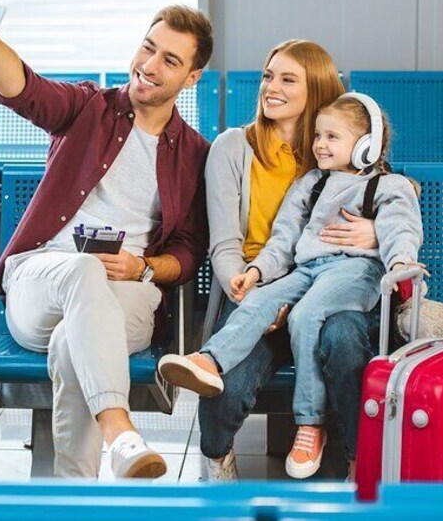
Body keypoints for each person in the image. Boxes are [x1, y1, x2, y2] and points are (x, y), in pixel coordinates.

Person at [0, 0, 213, 479]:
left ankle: (77, 495)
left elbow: (188, 251)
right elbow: (24, 88)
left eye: (170, 59)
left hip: (125, 298)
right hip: (43, 281)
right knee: (82, 269)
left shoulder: (194, 155)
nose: (150, 64)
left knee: (75, 339)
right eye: (148, 46)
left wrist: (145, 267)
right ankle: (120, 430)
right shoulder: (88, 107)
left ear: (191, 77)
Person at [160, 91, 424, 479]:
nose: (320, 144)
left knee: (307, 314)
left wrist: (400, 260)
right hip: (307, 269)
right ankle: (208, 361)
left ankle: (310, 423)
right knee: (259, 301)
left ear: (367, 146)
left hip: (355, 272)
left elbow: (401, 226)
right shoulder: (311, 184)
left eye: (332, 137)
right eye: (318, 135)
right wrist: (258, 273)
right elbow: (283, 240)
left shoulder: (388, 185)